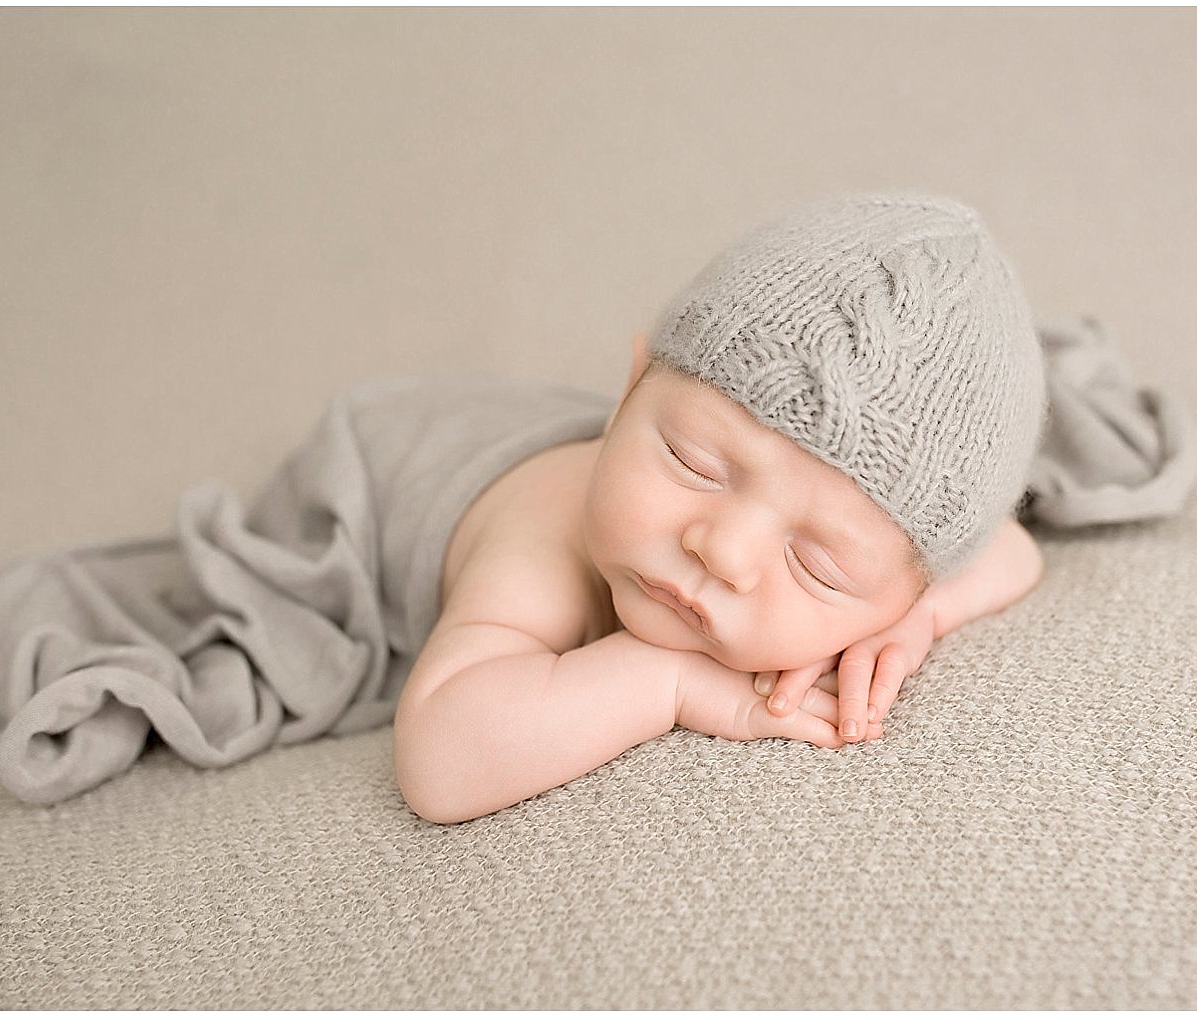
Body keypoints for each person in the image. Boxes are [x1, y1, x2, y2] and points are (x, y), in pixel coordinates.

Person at [393, 193, 1049, 824]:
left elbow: (1012, 550)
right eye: (692, 461)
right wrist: (670, 679)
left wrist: (917, 619)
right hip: (398, 461)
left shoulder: (902, 577)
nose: (722, 550)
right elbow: (439, 765)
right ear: (628, 390)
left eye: (818, 565)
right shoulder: (541, 537)